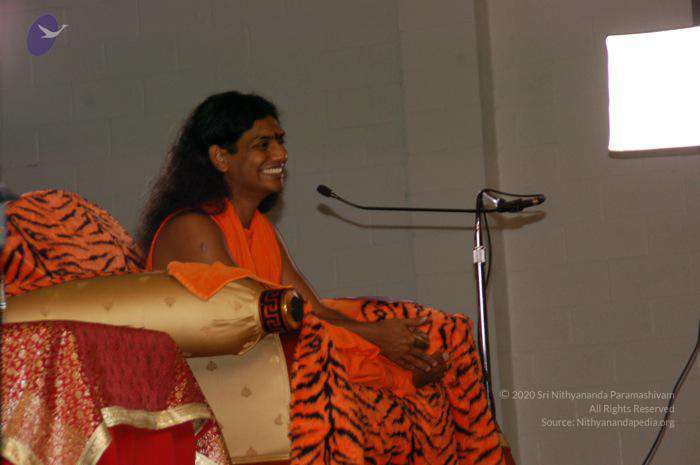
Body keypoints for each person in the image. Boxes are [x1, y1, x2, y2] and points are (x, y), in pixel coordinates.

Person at [137, 91, 446, 386]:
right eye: (263, 144)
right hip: (215, 381)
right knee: (319, 349)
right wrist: (376, 338)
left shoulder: (260, 227)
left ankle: (398, 377)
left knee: (431, 327)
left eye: (280, 141)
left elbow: (315, 311)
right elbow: (245, 323)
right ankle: (394, 380)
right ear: (221, 157)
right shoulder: (193, 227)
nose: (281, 154)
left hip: (265, 363)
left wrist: (382, 335)